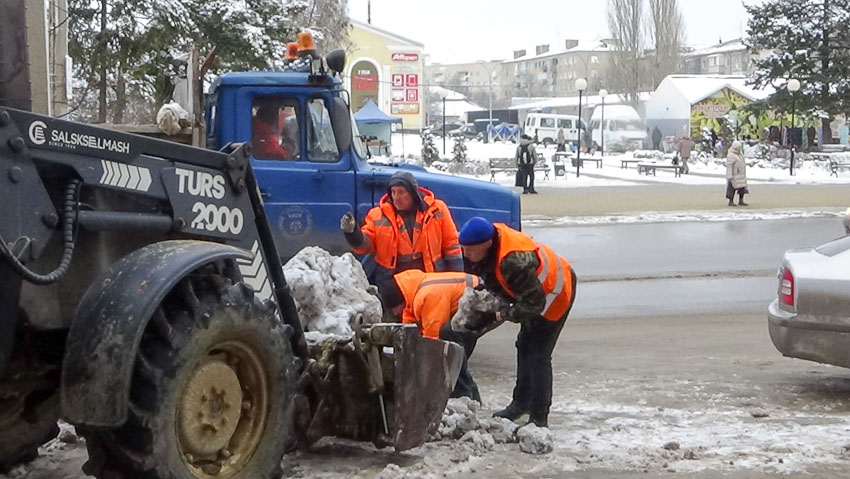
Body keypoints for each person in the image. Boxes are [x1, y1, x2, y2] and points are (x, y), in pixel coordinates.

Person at [457, 217, 577, 428]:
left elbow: (534, 304)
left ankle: (539, 418)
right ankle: (520, 404)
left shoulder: (513, 262)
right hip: (532, 293)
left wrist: (498, 315)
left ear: (487, 244)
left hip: (555, 293)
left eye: (470, 250)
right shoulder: (487, 244)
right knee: (523, 345)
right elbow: (494, 280)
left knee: (538, 354)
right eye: (464, 249)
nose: (465, 255)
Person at [340, 171, 463, 288]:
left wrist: (456, 279)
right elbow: (365, 246)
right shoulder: (378, 215)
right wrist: (352, 233)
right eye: (393, 192)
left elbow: (451, 245)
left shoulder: (437, 210)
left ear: (413, 193)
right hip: (393, 283)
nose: (396, 197)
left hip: (430, 280)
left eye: (401, 192)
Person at [379, 269, 488, 401]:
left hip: (484, 301)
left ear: (398, 301)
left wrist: (425, 371)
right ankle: (467, 392)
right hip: (470, 300)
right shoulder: (411, 294)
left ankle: (463, 393)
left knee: (448, 343)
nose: (395, 313)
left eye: (393, 309)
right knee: (450, 350)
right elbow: (411, 330)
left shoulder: (428, 295)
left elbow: (434, 339)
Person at [726, 140, 748, 207]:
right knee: (732, 188)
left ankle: (741, 200)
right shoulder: (731, 155)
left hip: (741, 175)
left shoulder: (740, 154)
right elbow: (729, 166)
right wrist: (729, 176)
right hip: (734, 175)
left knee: (742, 188)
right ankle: (731, 201)